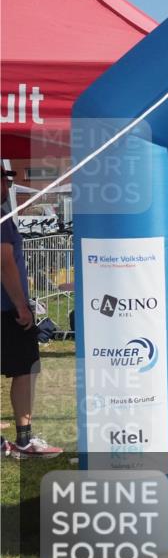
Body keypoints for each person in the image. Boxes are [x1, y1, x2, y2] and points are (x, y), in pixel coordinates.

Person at [1, 165, 62, 459]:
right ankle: (24, 439)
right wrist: (22, 307)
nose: (9, 185)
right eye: (5, 178)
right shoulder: (1, 219)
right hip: (7, 310)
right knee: (25, 370)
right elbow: (4, 263)